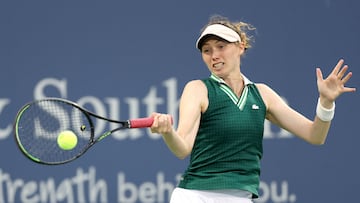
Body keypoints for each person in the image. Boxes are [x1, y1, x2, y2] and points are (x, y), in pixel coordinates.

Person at [150, 15, 356, 203]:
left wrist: (326, 102)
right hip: (195, 196)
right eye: (207, 50)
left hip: (242, 197)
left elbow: (315, 135)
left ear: (240, 47)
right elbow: (182, 149)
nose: (214, 55)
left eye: (221, 46)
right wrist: (168, 132)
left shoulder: (262, 94)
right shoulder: (198, 89)